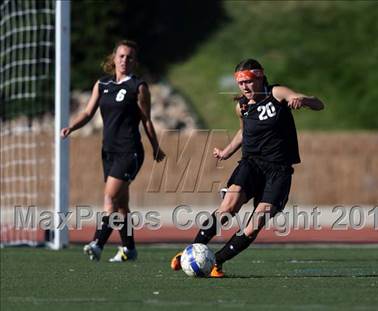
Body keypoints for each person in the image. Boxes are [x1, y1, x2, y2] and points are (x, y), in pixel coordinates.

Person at [170, 58, 324, 277]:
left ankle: (217, 262)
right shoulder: (241, 106)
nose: (244, 87)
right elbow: (244, 132)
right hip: (251, 164)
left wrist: (302, 100)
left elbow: (319, 104)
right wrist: (226, 152)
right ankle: (190, 251)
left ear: (260, 78)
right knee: (228, 207)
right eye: (240, 83)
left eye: (249, 82)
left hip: (278, 170)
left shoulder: (276, 93)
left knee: (255, 223)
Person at [61, 40, 165, 262]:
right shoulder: (102, 84)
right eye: (121, 56)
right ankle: (129, 249)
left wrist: (156, 147)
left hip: (130, 151)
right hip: (108, 152)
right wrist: (72, 126)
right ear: (114, 58)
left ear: (135, 62)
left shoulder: (138, 87)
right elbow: (88, 112)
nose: (125, 60)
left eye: (129, 57)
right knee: (121, 206)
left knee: (110, 197)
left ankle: (97, 243)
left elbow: (146, 120)